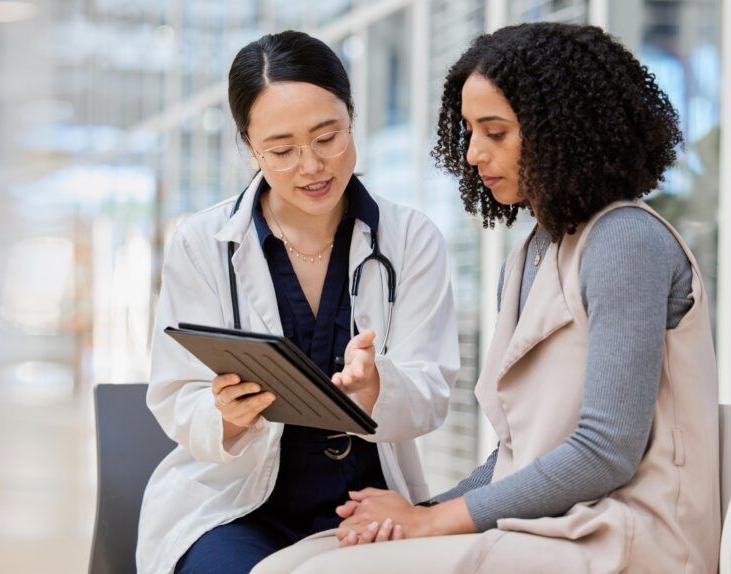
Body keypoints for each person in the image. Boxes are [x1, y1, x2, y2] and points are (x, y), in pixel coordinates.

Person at [253, 22, 719, 574]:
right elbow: (512, 458)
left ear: (562, 132)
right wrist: (418, 513)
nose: (473, 153)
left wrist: (432, 522)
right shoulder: (531, 256)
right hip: (553, 525)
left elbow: (604, 452)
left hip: (628, 534)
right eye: (470, 131)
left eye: (495, 132)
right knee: (288, 562)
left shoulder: (626, 241)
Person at [135, 30, 460, 574]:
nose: (311, 166)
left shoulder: (412, 239)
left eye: (328, 137)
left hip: (366, 499)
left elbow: (432, 391)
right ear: (250, 147)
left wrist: (378, 389)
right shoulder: (202, 243)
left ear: (352, 118)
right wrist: (226, 417)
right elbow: (175, 394)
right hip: (233, 507)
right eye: (283, 151)